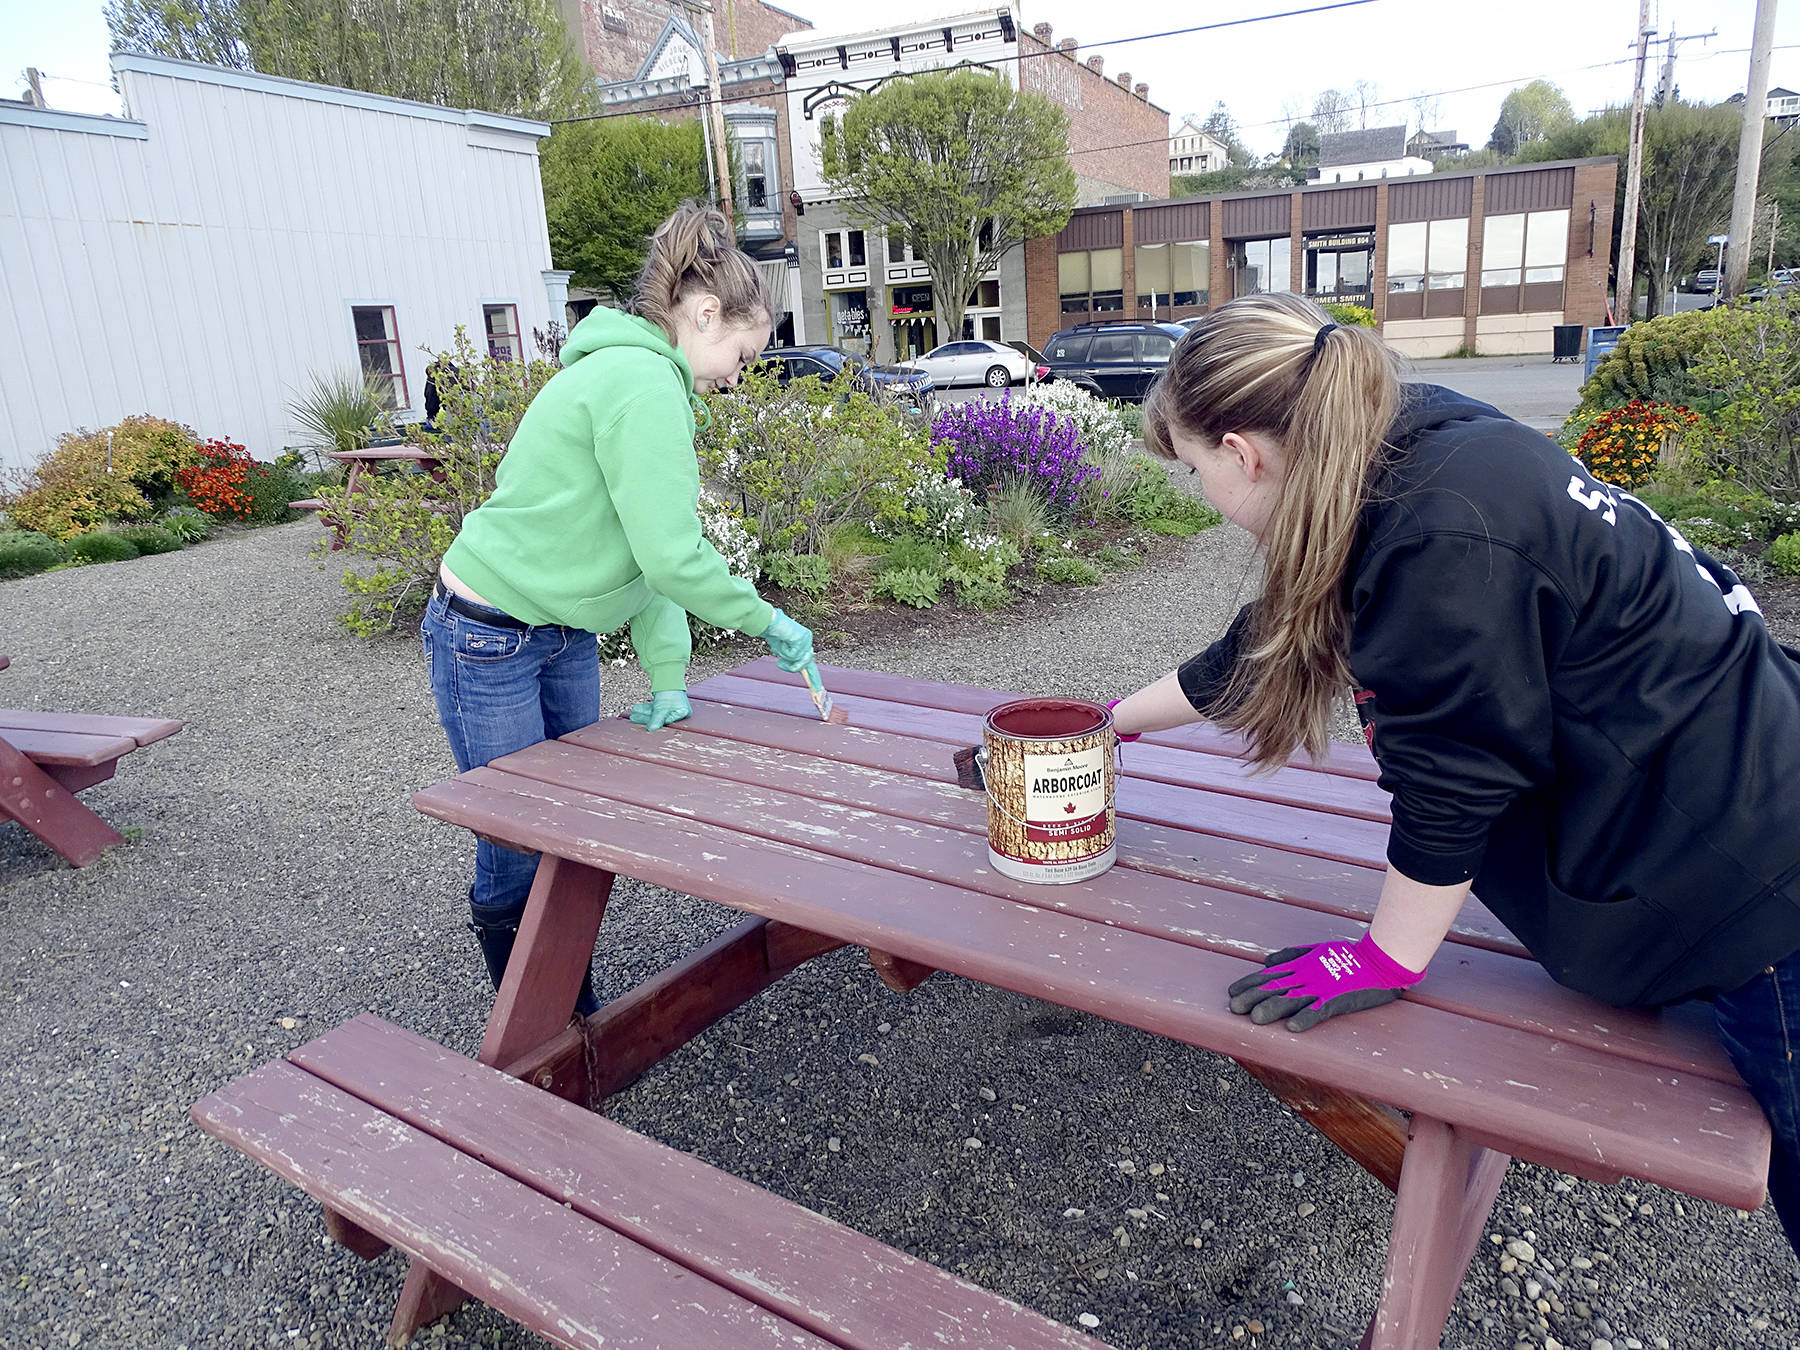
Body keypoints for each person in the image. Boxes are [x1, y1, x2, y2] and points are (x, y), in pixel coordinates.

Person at [1106, 292, 1800, 1253]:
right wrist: (1107, 730)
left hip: (1758, 873)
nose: (1208, 499)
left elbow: (1451, 781)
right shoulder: (1404, 438)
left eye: (1192, 471)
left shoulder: (1437, 532)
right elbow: (1264, 646)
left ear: (1242, 451)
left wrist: (1387, 956)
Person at [421, 203, 816, 1019]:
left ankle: (565, 1004)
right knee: (521, 836)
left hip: (560, 630)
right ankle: (541, 1027)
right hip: (486, 633)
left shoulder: (645, 379)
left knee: (568, 827)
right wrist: (767, 621)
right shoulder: (640, 384)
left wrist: (668, 675)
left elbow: (649, 560)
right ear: (705, 314)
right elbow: (675, 556)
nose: (739, 375)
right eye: (742, 353)